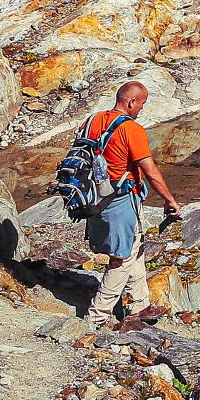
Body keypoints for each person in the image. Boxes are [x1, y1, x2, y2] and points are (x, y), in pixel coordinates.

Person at [72, 80, 181, 329]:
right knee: (120, 258)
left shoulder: (91, 121)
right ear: (131, 101)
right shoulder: (131, 129)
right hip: (121, 201)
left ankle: (139, 305)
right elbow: (150, 171)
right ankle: (96, 317)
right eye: (141, 104)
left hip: (96, 198)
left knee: (135, 249)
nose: (141, 109)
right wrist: (169, 199)